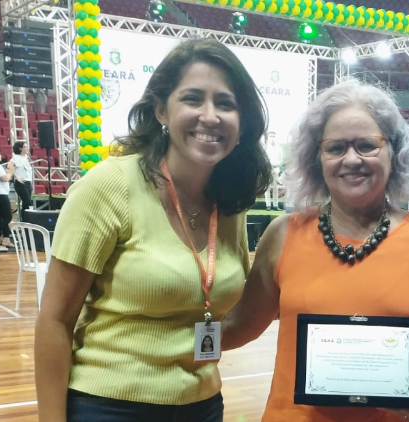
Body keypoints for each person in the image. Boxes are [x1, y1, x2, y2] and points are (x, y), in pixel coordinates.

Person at [34, 39, 271, 422]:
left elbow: (226, 306)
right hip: (108, 406)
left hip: (203, 404)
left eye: (225, 103)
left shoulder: (231, 201)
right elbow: (55, 321)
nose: (210, 116)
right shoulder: (109, 186)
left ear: (242, 120)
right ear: (161, 108)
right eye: (193, 99)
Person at [221, 79, 409, 422]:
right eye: (336, 147)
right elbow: (239, 325)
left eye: (366, 145)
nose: (352, 159)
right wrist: (160, 331)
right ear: (317, 157)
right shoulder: (283, 235)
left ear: (393, 150)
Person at [11, 141, 33, 222]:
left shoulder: (26, 158)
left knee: (27, 202)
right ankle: (26, 221)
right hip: (21, 182)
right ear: (20, 148)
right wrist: (17, 177)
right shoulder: (16, 158)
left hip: (28, 182)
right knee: (27, 202)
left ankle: (26, 220)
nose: (27, 149)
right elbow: (10, 167)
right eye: (25, 147)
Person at [264, 131, 282, 211]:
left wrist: (275, 164)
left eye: (273, 136)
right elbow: (263, 159)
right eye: (271, 136)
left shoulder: (279, 148)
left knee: (275, 188)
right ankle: (268, 205)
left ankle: (275, 205)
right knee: (267, 188)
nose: (272, 137)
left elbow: (281, 160)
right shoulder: (265, 148)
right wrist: (268, 165)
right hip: (267, 170)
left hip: (275, 169)